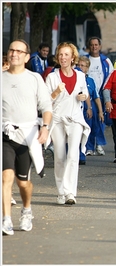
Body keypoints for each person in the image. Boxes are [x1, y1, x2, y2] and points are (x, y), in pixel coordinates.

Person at [3, 39, 53, 235]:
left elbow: (46, 107)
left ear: (26, 57)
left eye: (18, 51)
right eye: (11, 50)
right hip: (5, 134)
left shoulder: (34, 79)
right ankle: (6, 219)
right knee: (6, 176)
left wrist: (46, 127)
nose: (13, 53)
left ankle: (26, 210)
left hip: (27, 135)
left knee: (23, 182)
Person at [45, 42, 91, 205]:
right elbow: (44, 101)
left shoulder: (79, 75)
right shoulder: (52, 77)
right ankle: (60, 192)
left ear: (73, 58)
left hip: (75, 118)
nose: (63, 57)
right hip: (57, 119)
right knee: (59, 156)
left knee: (73, 155)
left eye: (66, 55)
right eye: (60, 54)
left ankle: (70, 192)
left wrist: (83, 96)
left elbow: (84, 91)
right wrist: (56, 92)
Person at [86, 37, 113, 156]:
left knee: (101, 120)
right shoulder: (85, 60)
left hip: (102, 94)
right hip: (89, 95)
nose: (94, 47)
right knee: (90, 120)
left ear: (100, 46)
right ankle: (89, 146)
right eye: (92, 45)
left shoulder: (105, 60)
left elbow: (110, 76)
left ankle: (100, 144)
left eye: (96, 45)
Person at [76, 56, 105, 164]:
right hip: (76, 106)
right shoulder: (75, 78)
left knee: (87, 130)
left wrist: (100, 112)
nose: (80, 67)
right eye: (78, 65)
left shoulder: (90, 81)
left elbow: (96, 97)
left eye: (82, 66)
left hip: (88, 107)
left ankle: (85, 151)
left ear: (87, 68)